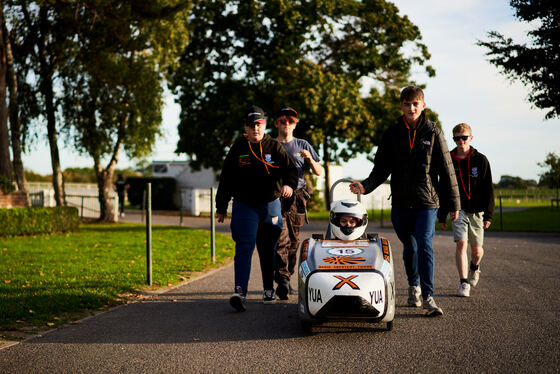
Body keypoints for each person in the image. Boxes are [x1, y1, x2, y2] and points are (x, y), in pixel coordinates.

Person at [349, 85, 460, 317]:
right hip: (400, 202)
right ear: (401, 106)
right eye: (407, 104)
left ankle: (428, 296)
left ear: (423, 105)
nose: (411, 108)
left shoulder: (433, 132)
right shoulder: (392, 133)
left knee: (425, 244)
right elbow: (381, 169)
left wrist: (453, 204)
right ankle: (414, 286)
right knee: (410, 246)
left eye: (415, 104)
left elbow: (447, 171)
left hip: (427, 202)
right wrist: (365, 186)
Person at [216, 105, 298, 312]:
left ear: (265, 125)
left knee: (267, 248)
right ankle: (239, 292)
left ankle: (268, 289)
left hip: (270, 206)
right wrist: (221, 206)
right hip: (245, 206)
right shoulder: (238, 147)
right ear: (246, 127)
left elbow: (291, 171)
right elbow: (226, 178)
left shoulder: (274, 146)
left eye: (259, 125)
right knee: (244, 246)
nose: (256, 130)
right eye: (252, 126)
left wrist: (288, 185)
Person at [438, 123, 494, 297]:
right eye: (457, 138)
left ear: (471, 138)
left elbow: (488, 188)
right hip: (457, 209)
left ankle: (475, 267)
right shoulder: (449, 159)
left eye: (464, 137)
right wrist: (442, 214)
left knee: (477, 251)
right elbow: (443, 188)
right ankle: (463, 283)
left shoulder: (481, 160)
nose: (460, 141)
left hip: (477, 210)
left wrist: (489, 215)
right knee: (461, 243)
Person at [273, 107, 322, 300]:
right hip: (276, 198)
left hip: (297, 200)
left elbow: (319, 171)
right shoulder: (270, 144)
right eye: (282, 120)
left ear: (295, 123)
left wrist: (310, 159)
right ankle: (282, 279)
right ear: (277, 122)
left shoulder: (302, 144)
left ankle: (287, 277)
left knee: (293, 242)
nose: (286, 123)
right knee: (280, 238)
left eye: (290, 121)